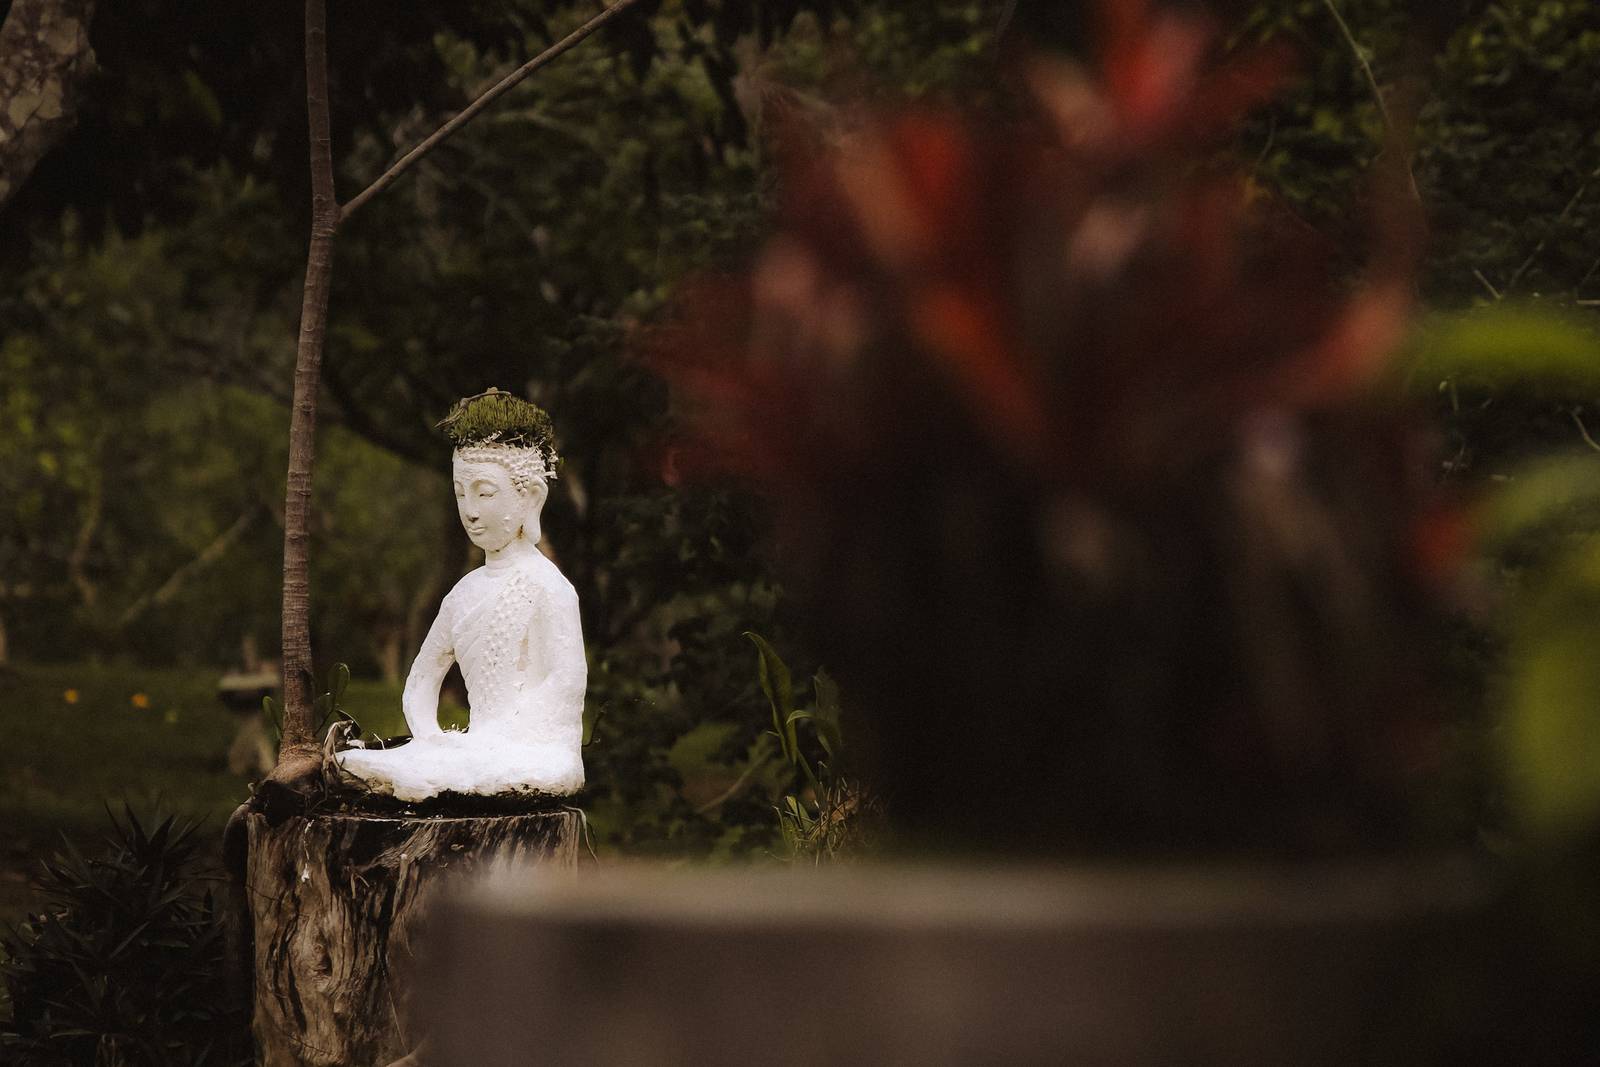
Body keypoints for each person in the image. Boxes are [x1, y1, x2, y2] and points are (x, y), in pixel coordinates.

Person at [338, 391, 586, 801]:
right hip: (476, 747)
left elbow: (565, 683)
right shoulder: (463, 594)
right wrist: (429, 736)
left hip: (534, 748)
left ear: (531, 497)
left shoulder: (550, 587)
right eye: (459, 494)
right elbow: (422, 680)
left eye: (484, 493)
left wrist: (493, 738)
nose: (470, 510)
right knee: (359, 762)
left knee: (448, 772)